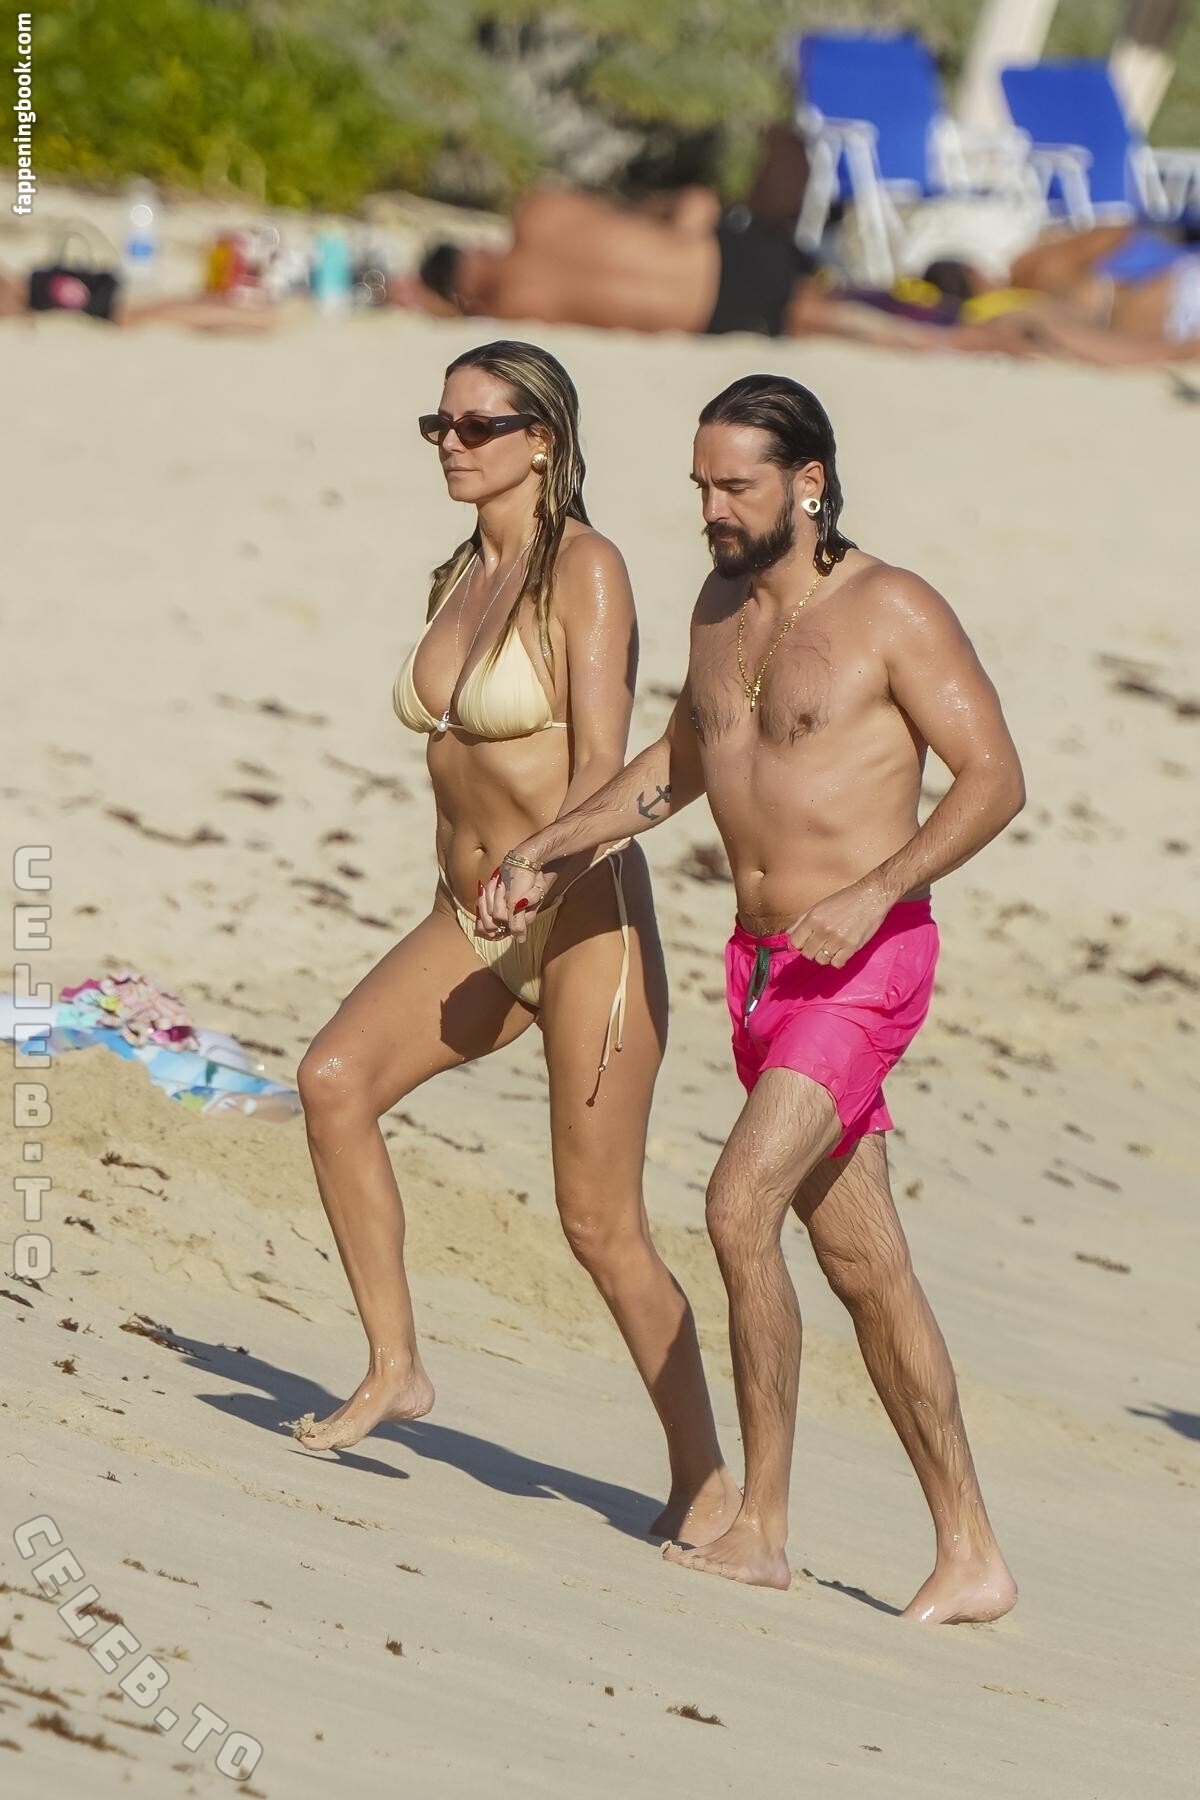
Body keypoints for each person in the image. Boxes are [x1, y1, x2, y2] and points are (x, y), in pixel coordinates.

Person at [483, 375, 1023, 1621]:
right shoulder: (719, 606)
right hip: (765, 968)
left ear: (808, 483)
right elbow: (682, 762)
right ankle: (971, 1550)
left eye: (736, 487)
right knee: (865, 1264)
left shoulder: (893, 609)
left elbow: (994, 779)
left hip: (867, 962)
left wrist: (875, 893)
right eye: (701, 487)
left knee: (738, 1207)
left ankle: (763, 1523)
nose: (712, 511)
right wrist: (552, 848)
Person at [294, 340, 738, 1548]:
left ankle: (705, 1478)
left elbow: (603, 766)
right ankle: (396, 1365)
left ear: (542, 440)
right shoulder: (459, 572)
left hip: (581, 918)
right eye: (438, 425)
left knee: (599, 1225)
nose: (452, 444)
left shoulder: (584, 569)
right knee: (332, 1082)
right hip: (471, 917)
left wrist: (540, 863)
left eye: (478, 426)